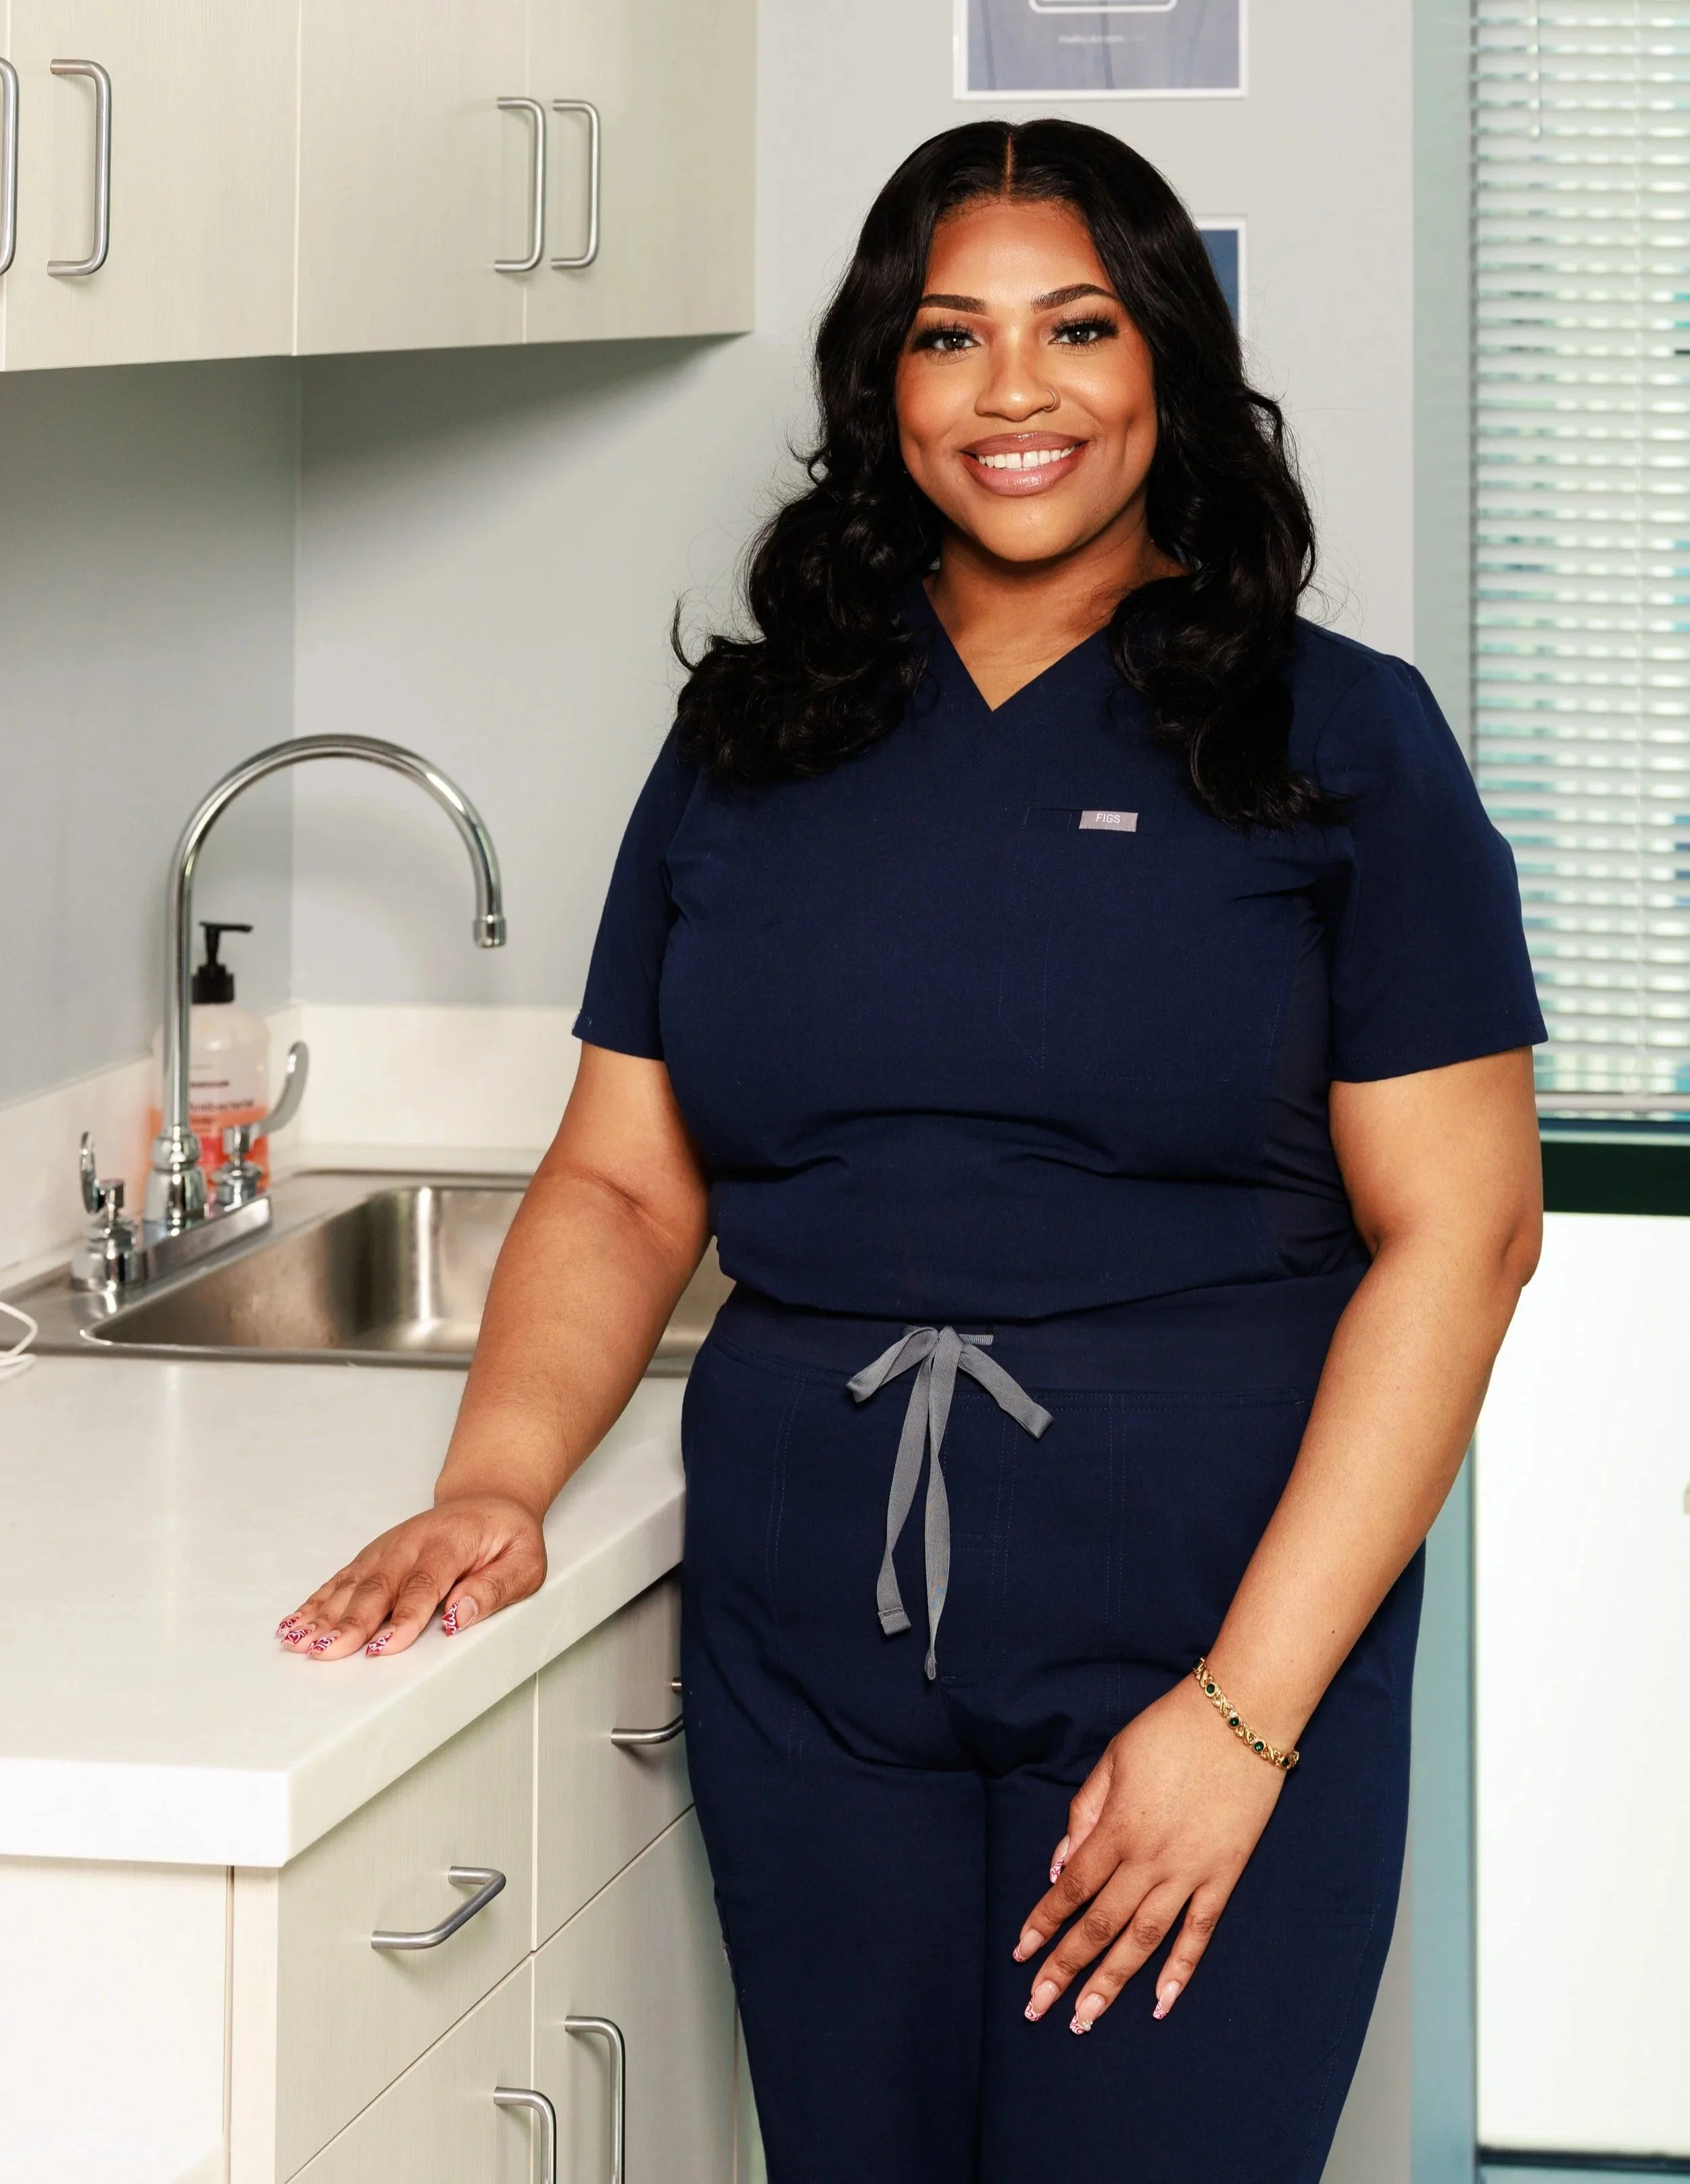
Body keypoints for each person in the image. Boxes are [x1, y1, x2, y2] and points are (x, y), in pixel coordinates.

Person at [277, 119, 1545, 2184]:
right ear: (882, 383)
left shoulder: (1336, 734)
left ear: (1169, 363)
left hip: (1203, 1619)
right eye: (949, 335)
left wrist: (1243, 1712)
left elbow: (1464, 1235)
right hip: (806, 1652)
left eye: (1077, 327)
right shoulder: (754, 737)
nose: (1012, 389)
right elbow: (621, 1179)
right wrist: (494, 1479)